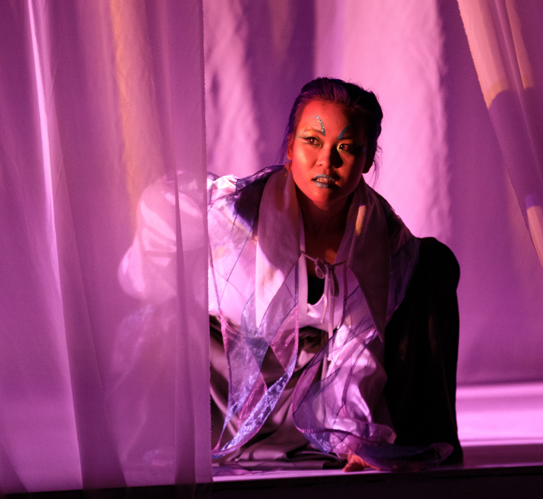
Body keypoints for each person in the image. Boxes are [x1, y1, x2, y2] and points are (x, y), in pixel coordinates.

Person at [119, 78, 460, 472]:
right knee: (158, 326)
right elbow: (161, 216)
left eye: (345, 149)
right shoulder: (232, 211)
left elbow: (358, 349)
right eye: (312, 141)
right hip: (220, 373)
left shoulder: (381, 240)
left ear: (366, 162)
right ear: (289, 147)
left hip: (306, 390)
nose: (325, 163)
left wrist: (355, 441)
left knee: (434, 261)